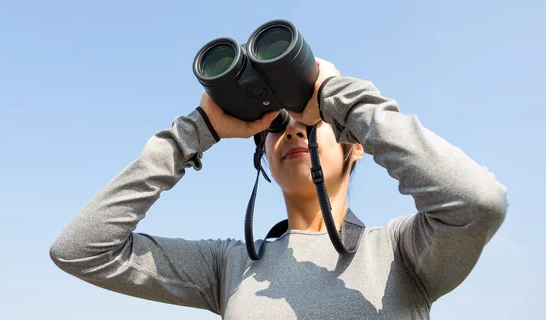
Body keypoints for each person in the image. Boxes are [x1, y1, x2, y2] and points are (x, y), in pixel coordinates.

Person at [50, 58, 508, 319]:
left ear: (354, 145)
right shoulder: (229, 265)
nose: (292, 132)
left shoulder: (399, 252)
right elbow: (80, 250)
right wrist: (197, 130)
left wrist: (336, 97)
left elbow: (478, 202)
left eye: (311, 124)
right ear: (263, 156)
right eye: (278, 127)